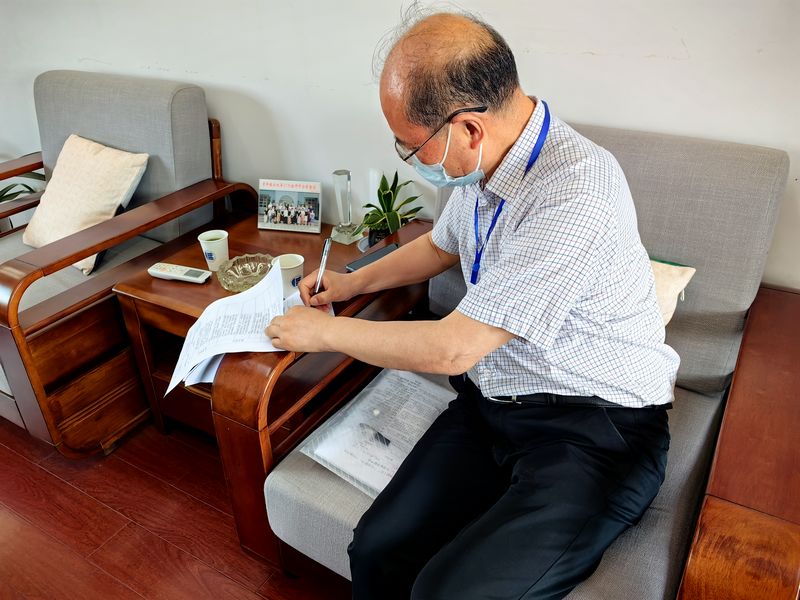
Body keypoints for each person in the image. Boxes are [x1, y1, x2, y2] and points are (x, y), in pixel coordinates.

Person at [266, 11, 677, 600]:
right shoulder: (489, 163)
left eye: (410, 147)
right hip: (493, 402)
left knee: (446, 592)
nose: (408, 158)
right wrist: (351, 283)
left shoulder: (576, 190)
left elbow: (454, 348)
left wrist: (323, 334)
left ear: (468, 129)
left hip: (595, 429)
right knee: (376, 548)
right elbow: (440, 246)